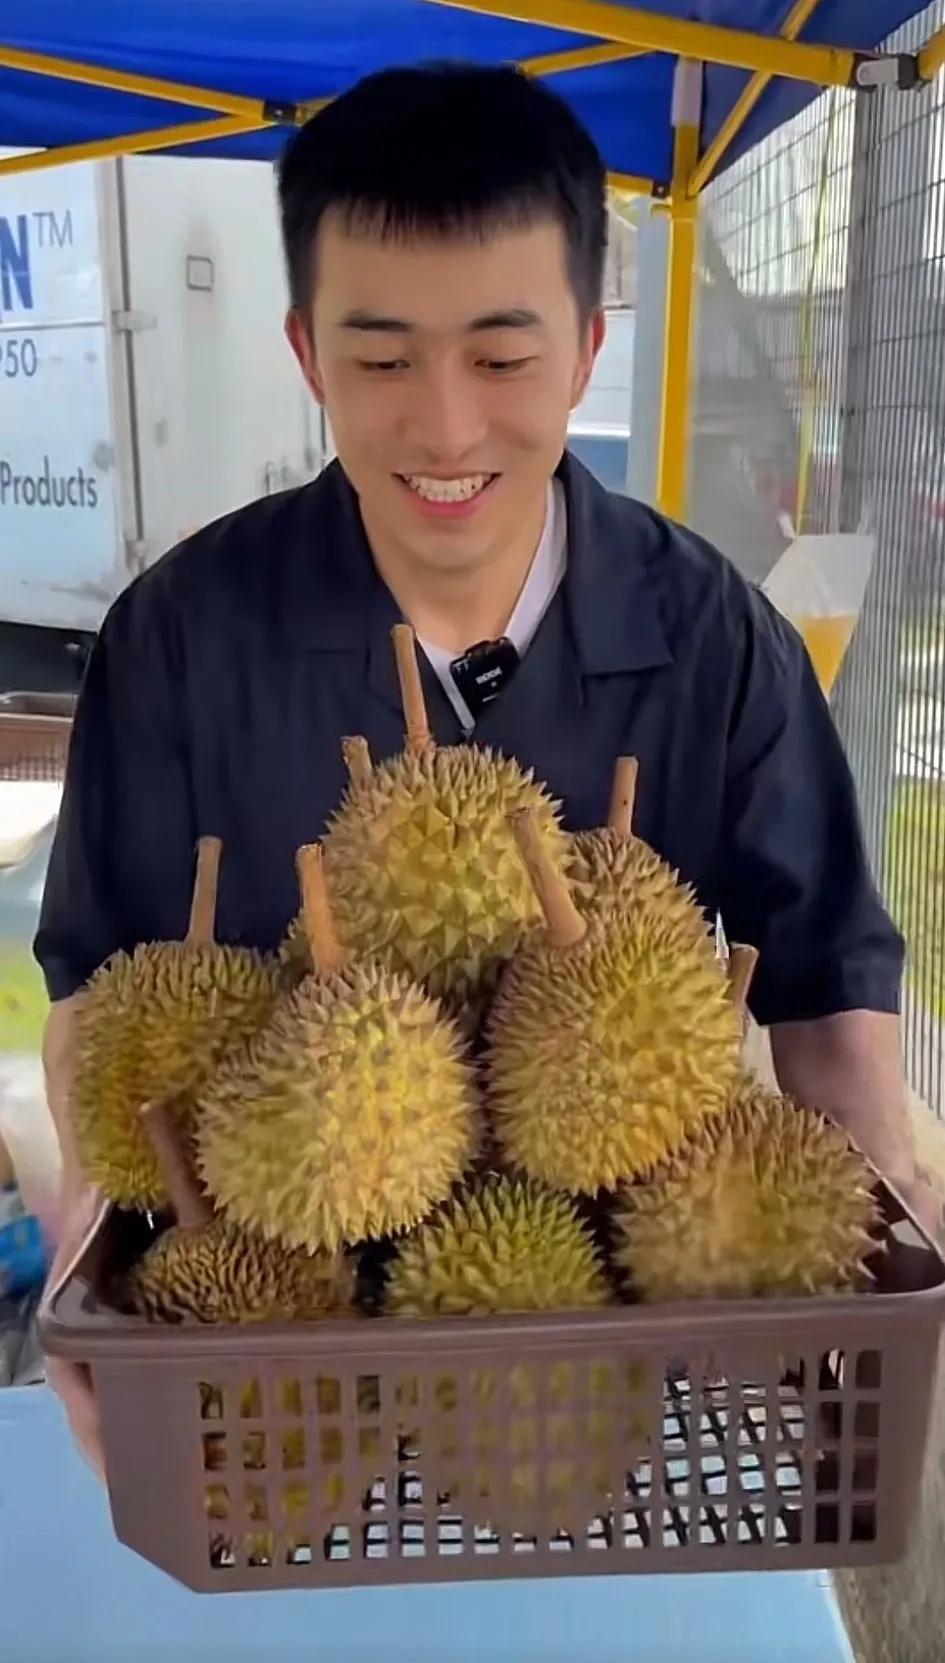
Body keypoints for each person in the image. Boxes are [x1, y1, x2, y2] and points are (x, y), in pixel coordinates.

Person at [35, 62, 936, 1478]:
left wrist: (886, 1265)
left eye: (503, 360)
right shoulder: (183, 635)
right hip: (279, 1323)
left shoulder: (715, 640)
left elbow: (827, 1005)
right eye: (382, 359)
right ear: (304, 349)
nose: (447, 430)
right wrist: (88, 1255)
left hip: (608, 1355)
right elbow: (103, 995)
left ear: (585, 350)